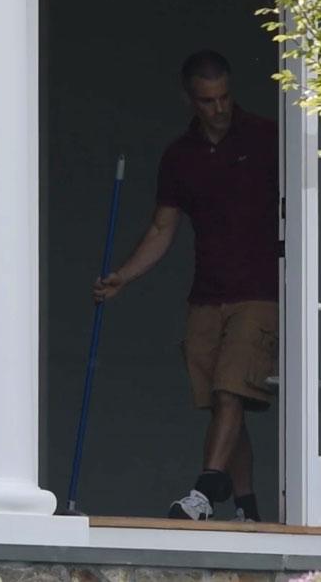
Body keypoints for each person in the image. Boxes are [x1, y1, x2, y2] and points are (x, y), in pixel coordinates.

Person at [92, 49, 279, 522]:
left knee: (231, 391)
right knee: (221, 402)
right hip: (206, 293)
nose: (219, 109)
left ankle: (203, 492)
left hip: (260, 290)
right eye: (207, 101)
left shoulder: (266, 137)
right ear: (189, 99)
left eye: (224, 98)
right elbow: (161, 229)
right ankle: (247, 508)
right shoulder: (180, 156)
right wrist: (123, 277)